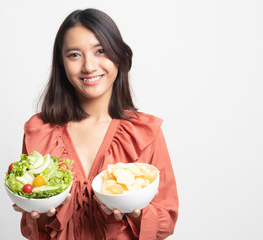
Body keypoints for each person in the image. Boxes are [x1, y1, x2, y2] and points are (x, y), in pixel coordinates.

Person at [13, 8, 178, 240]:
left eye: (100, 51)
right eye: (74, 55)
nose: (89, 66)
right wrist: (40, 216)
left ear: (119, 56)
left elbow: (166, 221)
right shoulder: (40, 132)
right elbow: (34, 231)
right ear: (61, 63)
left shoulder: (145, 133)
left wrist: (138, 214)